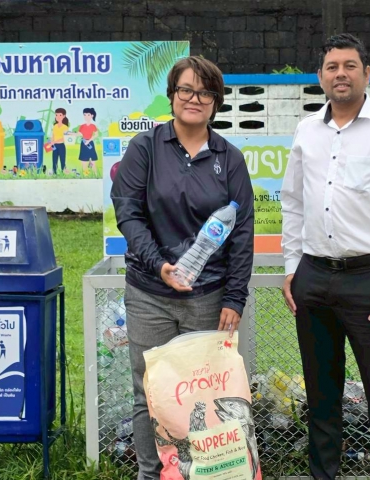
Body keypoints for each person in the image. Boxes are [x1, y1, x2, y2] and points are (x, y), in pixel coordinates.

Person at [281, 33, 370, 480]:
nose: (340, 74)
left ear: (367, 73)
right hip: (313, 277)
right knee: (321, 394)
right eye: (332, 67)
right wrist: (291, 268)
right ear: (320, 76)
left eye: (349, 66)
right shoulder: (307, 130)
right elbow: (293, 202)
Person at [110, 56, 254, 480]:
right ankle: (150, 474)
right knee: (149, 393)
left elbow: (242, 232)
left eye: (205, 92)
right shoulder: (146, 148)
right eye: (186, 89)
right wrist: (159, 266)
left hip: (208, 299)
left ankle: (203, 473)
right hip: (149, 295)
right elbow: (128, 213)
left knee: (204, 396)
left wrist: (234, 298)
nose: (195, 98)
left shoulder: (229, 158)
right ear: (172, 95)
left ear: (216, 102)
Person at [76, 107, 99, 172]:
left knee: (93, 160)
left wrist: (89, 141)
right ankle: (86, 175)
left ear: (92, 115)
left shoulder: (93, 126)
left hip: (90, 143)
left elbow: (96, 135)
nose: (86, 116)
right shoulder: (82, 126)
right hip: (83, 143)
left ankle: (95, 174)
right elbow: (79, 134)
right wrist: (70, 133)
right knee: (83, 161)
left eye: (88, 115)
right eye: (85, 115)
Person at [50, 107, 69, 173]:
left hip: (61, 145)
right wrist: (52, 141)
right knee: (54, 160)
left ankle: (63, 171)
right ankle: (54, 172)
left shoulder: (65, 127)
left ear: (64, 116)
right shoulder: (55, 126)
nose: (58, 117)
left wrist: (55, 141)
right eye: (56, 115)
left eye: (60, 115)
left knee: (62, 159)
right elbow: (53, 135)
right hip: (54, 146)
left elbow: (64, 138)